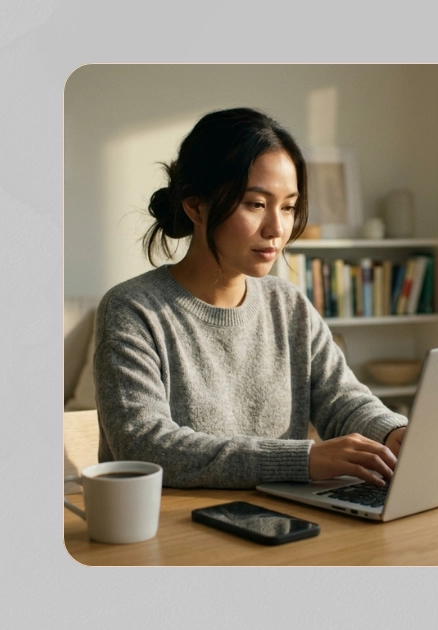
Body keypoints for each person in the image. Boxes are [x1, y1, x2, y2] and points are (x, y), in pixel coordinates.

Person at [93, 107, 406, 489]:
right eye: (256, 204)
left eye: (288, 207)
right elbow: (144, 446)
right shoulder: (132, 309)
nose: (277, 228)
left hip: (280, 523)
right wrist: (303, 460)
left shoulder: (287, 305)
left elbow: (343, 400)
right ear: (196, 206)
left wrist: (393, 434)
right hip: (172, 534)